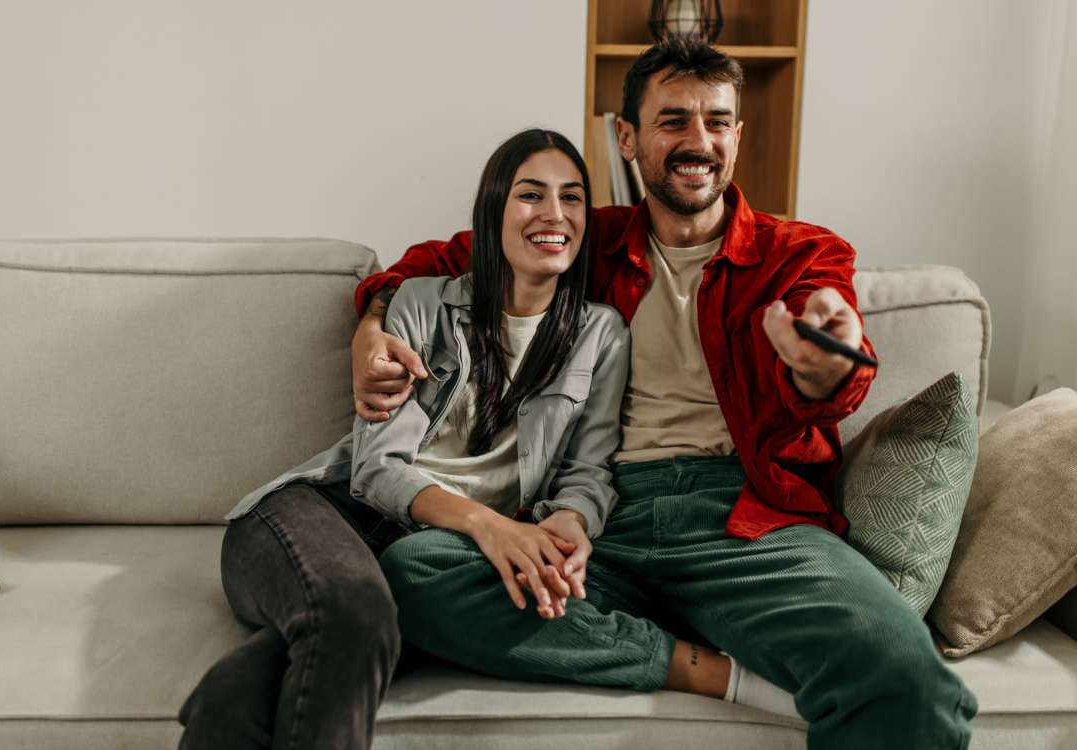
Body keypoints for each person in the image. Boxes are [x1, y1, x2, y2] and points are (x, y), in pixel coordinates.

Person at [354, 40, 978, 749]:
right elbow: (441, 263)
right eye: (673, 121)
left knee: (909, 683)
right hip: (597, 519)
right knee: (416, 572)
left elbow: (835, 357)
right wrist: (372, 322)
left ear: (738, 136)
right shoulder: (582, 239)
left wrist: (822, 360)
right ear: (629, 138)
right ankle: (707, 670)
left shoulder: (799, 255)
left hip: (743, 523)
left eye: (717, 121)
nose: (698, 141)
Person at [182, 127, 742, 750]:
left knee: (250, 689)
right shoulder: (421, 304)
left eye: (573, 197)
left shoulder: (601, 334)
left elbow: (590, 470)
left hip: (426, 553)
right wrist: (491, 525)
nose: (554, 214)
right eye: (531, 195)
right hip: (322, 513)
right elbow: (377, 469)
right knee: (355, 614)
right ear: (494, 211)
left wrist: (573, 524)